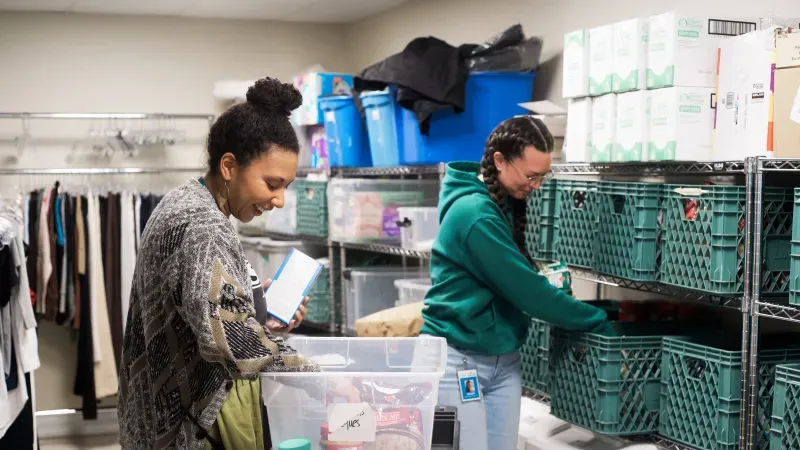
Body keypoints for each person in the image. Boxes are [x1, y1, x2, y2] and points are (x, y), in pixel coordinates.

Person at [118, 78, 322, 450]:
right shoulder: (204, 225)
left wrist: (263, 313)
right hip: (185, 428)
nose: (278, 200)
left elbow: (200, 311)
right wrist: (316, 376)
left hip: (154, 419)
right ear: (229, 166)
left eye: (286, 187)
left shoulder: (186, 199)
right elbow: (231, 342)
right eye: (271, 183)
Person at [420, 116, 615, 450]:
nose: (536, 185)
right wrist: (597, 319)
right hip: (457, 360)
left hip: (502, 359)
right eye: (530, 175)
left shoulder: (501, 202)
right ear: (499, 161)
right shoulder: (474, 213)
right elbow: (527, 292)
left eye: (542, 176)